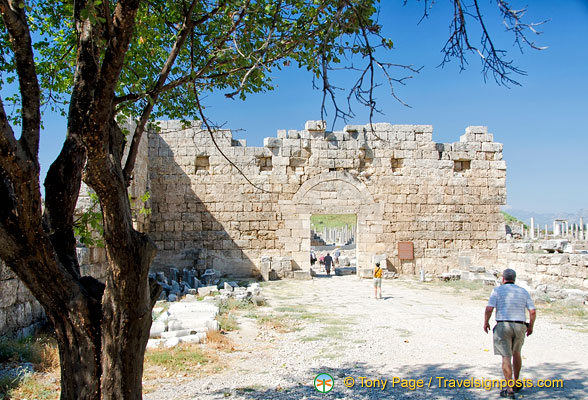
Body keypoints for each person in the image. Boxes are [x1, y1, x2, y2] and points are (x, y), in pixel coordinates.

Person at [483, 269, 536, 399]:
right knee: (517, 353)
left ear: (503, 279)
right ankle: (517, 382)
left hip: (503, 324)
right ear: (515, 279)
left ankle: (509, 388)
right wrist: (531, 326)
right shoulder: (523, 291)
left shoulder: (497, 290)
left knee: (506, 356)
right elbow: (532, 311)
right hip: (520, 325)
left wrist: (486, 322)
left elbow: (489, 308)